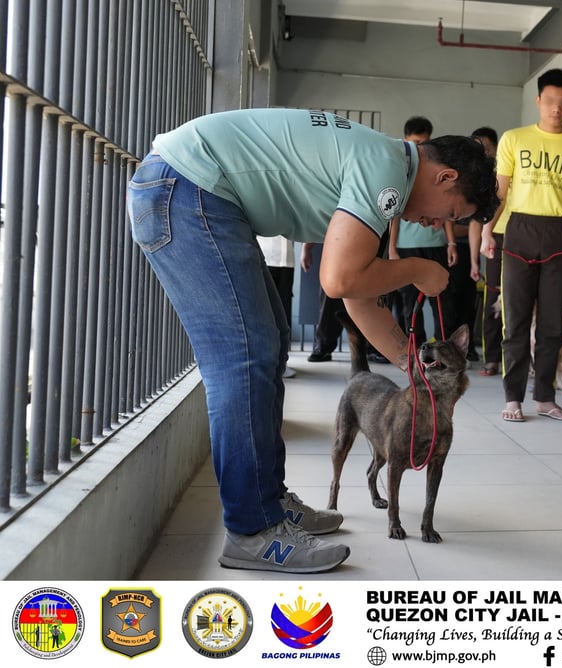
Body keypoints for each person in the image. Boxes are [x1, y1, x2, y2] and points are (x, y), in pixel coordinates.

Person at [126, 108, 497, 572]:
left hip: (190, 189)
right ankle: (252, 530)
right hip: (186, 188)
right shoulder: (385, 174)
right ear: (445, 177)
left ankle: (269, 502)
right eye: (452, 213)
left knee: (269, 343)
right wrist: (419, 268)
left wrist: (413, 367)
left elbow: (359, 297)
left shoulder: (388, 174)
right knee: (246, 358)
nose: (435, 222)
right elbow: (340, 279)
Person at [480, 69, 562, 422]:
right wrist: (488, 230)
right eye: (550, 101)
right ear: (538, 101)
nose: (556, 109)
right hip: (519, 230)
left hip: (560, 233)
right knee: (515, 320)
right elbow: (500, 192)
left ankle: (545, 398)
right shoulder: (514, 139)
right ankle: (513, 398)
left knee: (551, 323)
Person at [389, 117, 459, 345]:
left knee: (443, 302)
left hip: (435, 245)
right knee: (410, 304)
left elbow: (446, 209)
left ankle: (443, 349)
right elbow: (394, 216)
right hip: (407, 247)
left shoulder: (437, 168)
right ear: (405, 139)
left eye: (425, 142)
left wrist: (451, 243)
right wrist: (392, 249)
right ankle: (415, 350)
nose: (420, 147)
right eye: (416, 142)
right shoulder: (397, 170)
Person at [468, 127, 502, 375]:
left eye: (486, 148)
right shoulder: (478, 179)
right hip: (492, 243)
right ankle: (492, 358)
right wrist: (474, 261)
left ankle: (521, 359)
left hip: (517, 237)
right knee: (493, 301)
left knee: (518, 302)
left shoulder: (505, 173)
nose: (483, 153)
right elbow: (475, 223)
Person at [257, 235, 297, 377]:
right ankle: (267, 364)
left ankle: (281, 363)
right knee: (265, 314)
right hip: (264, 256)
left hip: (286, 260)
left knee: (283, 313)